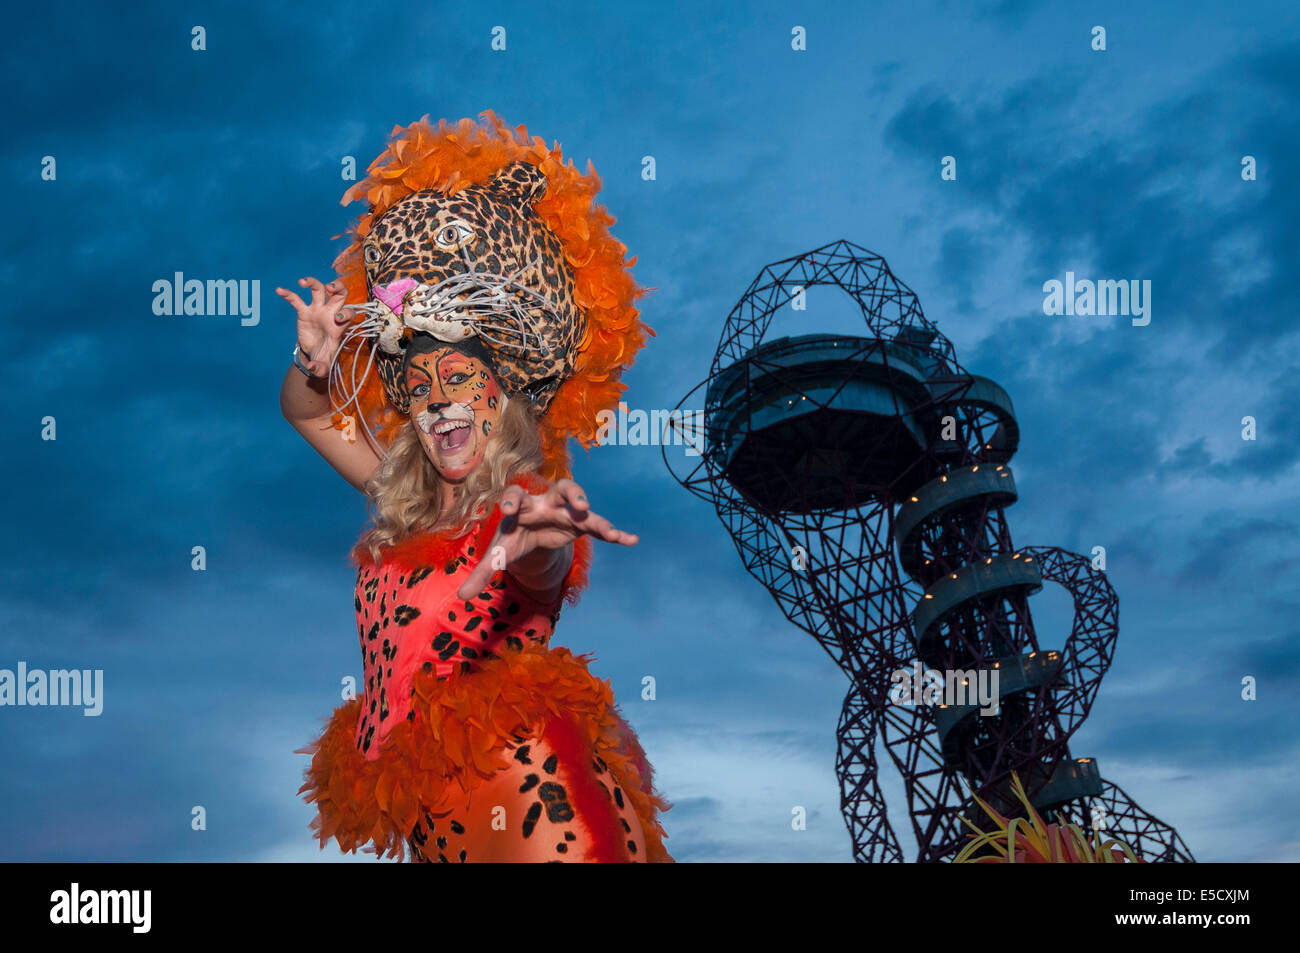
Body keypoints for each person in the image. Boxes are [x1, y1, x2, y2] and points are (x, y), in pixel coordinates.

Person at [277, 112, 671, 863]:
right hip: (437, 821)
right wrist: (317, 360)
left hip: (530, 802)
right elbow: (304, 411)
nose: (440, 403)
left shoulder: (521, 502)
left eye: (460, 379)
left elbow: (537, 566)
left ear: (504, 397)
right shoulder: (406, 499)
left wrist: (530, 545)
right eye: (421, 388)